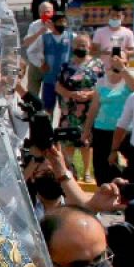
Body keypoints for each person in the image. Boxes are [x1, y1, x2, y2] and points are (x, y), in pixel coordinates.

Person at [85, 52, 134, 186]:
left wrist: (122, 69)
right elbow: (94, 107)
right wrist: (86, 129)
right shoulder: (102, 80)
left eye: (120, 58)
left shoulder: (133, 76)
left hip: (126, 131)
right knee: (102, 168)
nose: (116, 60)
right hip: (103, 129)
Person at [54, 34, 101, 180]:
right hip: (70, 110)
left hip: (89, 110)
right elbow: (58, 87)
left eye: (84, 44)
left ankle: (87, 172)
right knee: (68, 142)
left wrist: (90, 94)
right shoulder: (66, 66)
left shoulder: (98, 65)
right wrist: (72, 94)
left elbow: (103, 87)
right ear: (73, 47)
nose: (81, 47)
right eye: (78, 44)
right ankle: (71, 169)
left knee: (86, 142)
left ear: (90, 46)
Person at [22, 2, 56, 102]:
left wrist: (53, 30)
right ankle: (32, 114)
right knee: (32, 94)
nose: (45, 14)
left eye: (48, 12)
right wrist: (39, 32)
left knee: (49, 97)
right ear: (39, 13)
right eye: (42, 12)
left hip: (51, 65)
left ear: (52, 12)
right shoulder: (34, 25)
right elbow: (26, 42)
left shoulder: (57, 24)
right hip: (35, 63)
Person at [39, 13, 71, 114]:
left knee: (66, 110)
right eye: (59, 21)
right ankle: (48, 129)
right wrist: (41, 62)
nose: (62, 24)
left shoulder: (71, 36)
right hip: (49, 79)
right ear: (53, 23)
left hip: (66, 81)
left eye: (64, 21)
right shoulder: (45, 38)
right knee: (47, 110)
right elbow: (34, 52)